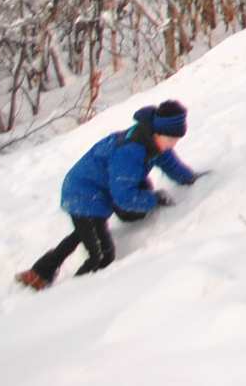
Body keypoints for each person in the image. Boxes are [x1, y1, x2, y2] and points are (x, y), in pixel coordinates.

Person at [15, 100, 200, 290]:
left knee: (84, 232)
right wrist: (154, 199)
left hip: (100, 191)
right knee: (102, 255)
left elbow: (170, 164)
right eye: (171, 140)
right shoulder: (131, 152)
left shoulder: (153, 142)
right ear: (158, 132)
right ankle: (70, 296)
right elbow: (124, 197)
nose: (173, 145)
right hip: (83, 195)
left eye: (175, 141)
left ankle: (39, 273)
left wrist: (191, 179)